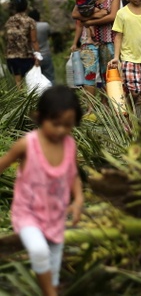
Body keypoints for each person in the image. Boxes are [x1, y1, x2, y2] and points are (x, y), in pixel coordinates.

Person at [0, 85, 84, 296]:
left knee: (53, 268)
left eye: (68, 125)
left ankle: (50, 289)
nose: (61, 130)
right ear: (39, 117)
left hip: (55, 216)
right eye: (55, 124)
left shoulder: (69, 145)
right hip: (27, 213)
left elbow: (73, 174)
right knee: (38, 251)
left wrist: (78, 199)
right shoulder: (27, 144)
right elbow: (3, 163)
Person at [71, 0, 121, 106]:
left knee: (108, 75)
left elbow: (113, 16)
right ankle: (90, 110)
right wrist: (98, 16)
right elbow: (75, 13)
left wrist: (90, 22)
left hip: (108, 39)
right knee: (89, 74)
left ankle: (106, 107)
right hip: (88, 41)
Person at [3, 0, 40, 89]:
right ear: (26, 7)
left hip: (11, 56)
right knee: (29, 81)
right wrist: (38, 55)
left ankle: (20, 100)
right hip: (25, 55)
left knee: (18, 82)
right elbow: (34, 40)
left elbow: (7, 37)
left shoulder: (9, 21)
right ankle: (28, 101)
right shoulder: (30, 21)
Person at [28, 9, 55, 84]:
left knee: (35, 80)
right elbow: (49, 34)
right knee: (50, 77)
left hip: (34, 56)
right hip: (46, 54)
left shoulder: (28, 28)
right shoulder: (45, 25)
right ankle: (52, 93)